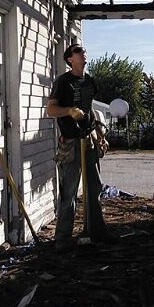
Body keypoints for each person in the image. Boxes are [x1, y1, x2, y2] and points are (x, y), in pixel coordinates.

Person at [46, 43, 111, 251]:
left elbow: (89, 108)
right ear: (69, 59)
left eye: (83, 50)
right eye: (77, 51)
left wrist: (99, 133)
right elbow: (51, 110)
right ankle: (63, 239)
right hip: (71, 142)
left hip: (89, 139)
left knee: (94, 188)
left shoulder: (89, 81)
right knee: (69, 192)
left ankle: (96, 231)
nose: (83, 52)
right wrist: (69, 111)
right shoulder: (63, 82)